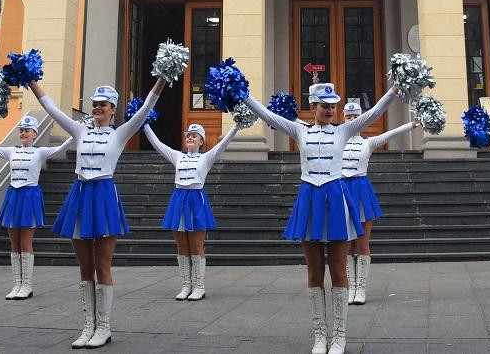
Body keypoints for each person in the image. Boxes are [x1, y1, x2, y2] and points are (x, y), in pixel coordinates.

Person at [244, 82, 398, 354]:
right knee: (314, 270)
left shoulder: (345, 130)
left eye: (332, 106)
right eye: (324, 106)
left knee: (338, 268)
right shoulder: (298, 130)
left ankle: (339, 335)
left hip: (336, 200)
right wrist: (242, 95)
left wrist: (395, 90)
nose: (329, 110)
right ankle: (319, 335)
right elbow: (268, 117)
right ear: (312, 106)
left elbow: (374, 113)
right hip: (309, 200)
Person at [29, 75, 168, 349]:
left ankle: (103, 327)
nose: (97, 108)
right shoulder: (80, 131)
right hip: (80, 194)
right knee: (84, 265)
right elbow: (52, 109)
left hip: (104, 195)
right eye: (95, 104)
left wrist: (162, 78)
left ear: (113, 109)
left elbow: (145, 109)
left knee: (102, 264)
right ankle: (87, 325)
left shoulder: (120, 133)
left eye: (103, 104)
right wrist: (31, 80)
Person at [0, 115, 72, 300]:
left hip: (30, 196)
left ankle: (27, 285)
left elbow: (61, 148)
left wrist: (76, 132)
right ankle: (17, 283)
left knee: (25, 242)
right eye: (21, 130)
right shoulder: (10, 151)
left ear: (35, 134)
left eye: (27, 130)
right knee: (14, 243)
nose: (23, 133)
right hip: (14, 196)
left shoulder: (40, 152)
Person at [143, 121, 241, 301]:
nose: (189, 137)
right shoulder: (177, 156)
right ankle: (186, 286)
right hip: (179, 199)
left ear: (201, 141)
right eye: (188, 135)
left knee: (196, 246)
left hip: (196, 199)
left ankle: (199, 287)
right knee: (181, 246)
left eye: (194, 135)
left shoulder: (207, 158)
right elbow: (157, 144)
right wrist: (145, 123)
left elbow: (224, 143)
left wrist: (236, 126)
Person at [340, 102, 417, 305]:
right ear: (343, 119)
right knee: (346, 244)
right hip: (341, 192)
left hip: (361, 191)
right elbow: (307, 128)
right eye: (348, 117)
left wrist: (413, 124)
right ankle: (350, 287)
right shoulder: (335, 140)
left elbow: (391, 134)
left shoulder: (369, 142)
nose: (352, 120)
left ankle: (361, 289)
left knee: (362, 243)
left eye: (355, 116)